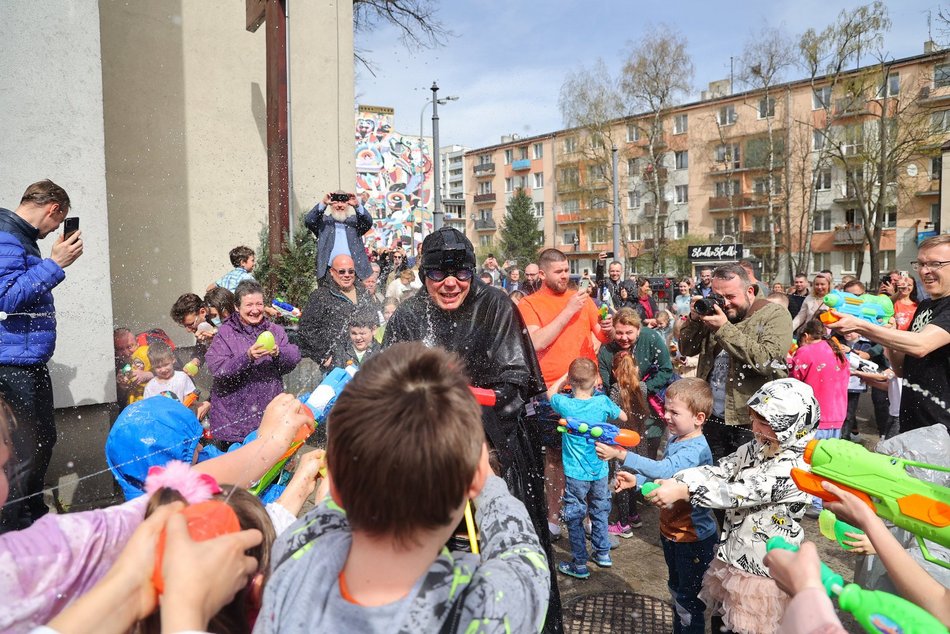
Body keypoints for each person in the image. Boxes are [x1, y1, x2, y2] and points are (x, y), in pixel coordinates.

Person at [256, 343, 551, 633]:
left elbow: (332, 507)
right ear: (471, 481)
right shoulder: (472, 607)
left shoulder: (299, 550)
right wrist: (488, 483)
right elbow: (526, 563)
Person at [0, 394, 313, 631]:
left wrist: (270, 447)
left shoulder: (33, 556)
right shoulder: (25, 561)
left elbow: (171, 496)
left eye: (4, 466)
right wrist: (185, 611)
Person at [383, 228, 562, 632]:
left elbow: (515, 388)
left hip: (496, 453)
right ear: (422, 273)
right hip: (427, 459)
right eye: (437, 274)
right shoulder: (409, 315)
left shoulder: (495, 304)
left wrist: (471, 419)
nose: (450, 283)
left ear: (473, 271)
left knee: (505, 545)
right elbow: (384, 383)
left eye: (461, 273)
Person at [644, 379, 818, 634]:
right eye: (754, 419)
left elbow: (738, 492)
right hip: (735, 557)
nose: (754, 428)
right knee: (722, 621)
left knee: (747, 627)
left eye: (763, 422)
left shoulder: (794, 467)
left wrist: (685, 490)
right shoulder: (759, 446)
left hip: (764, 570)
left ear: (791, 426)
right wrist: (677, 480)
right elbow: (721, 471)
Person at [601, 378, 718, 634]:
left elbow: (664, 469)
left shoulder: (695, 450)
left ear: (699, 417)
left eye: (674, 412)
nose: (665, 416)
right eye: (665, 409)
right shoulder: (678, 440)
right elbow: (667, 478)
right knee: (677, 592)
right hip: (672, 534)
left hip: (692, 539)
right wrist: (638, 480)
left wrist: (622, 454)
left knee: (688, 601)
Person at [0, 180, 83, 531]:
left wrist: (51, 264)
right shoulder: (6, 235)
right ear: (54, 209)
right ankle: (15, 529)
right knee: (21, 452)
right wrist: (55, 264)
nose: (54, 232)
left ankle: (33, 518)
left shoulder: (22, 239)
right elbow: (5, 300)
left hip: (29, 362)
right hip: (11, 365)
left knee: (42, 441)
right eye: (57, 222)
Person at [517, 247, 613, 546]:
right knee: (556, 457)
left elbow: (600, 335)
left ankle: (587, 517)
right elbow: (536, 341)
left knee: (593, 453)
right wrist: (568, 310)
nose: (565, 276)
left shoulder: (583, 301)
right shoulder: (530, 304)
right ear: (542, 274)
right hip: (553, 391)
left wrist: (607, 330)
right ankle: (554, 516)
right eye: (558, 271)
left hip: (589, 391)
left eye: (567, 269)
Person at [827, 235, 950, 432]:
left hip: (943, 430)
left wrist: (861, 326)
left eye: (935, 263)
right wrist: (888, 333)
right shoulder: (926, 305)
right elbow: (901, 368)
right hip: (915, 425)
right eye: (920, 264)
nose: (925, 271)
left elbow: (921, 345)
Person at [679, 263, 792, 461]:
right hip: (711, 416)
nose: (725, 303)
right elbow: (687, 348)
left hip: (752, 420)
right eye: (718, 296)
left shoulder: (774, 314)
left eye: (731, 297)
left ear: (750, 291)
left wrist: (723, 328)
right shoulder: (714, 312)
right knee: (712, 478)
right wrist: (695, 319)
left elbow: (768, 360)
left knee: (746, 481)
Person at [547, 359, 627, 579]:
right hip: (600, 471)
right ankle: (602, 554)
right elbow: (624, 417)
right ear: (596, 381)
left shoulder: (565, 404)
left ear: (571, 382)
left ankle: (579, 563)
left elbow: (549, 394)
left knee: (575, 515)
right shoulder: (601, 403)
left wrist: (563, 378)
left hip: (575, 475)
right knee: (600, 511)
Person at [205, 280, 301, 445]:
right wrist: (246, 357)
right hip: (233, 423)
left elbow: (293, 358)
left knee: (271, 469)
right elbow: (218, 369)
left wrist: (279, 353)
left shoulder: (274, 330)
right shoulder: (225, 333)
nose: (255, 310)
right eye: (249, 305)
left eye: (259, 304)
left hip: (268, 419)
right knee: (237, 470)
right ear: (237, 307)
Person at [789, 318, 848, 517]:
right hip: (837, 413)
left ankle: (813, 502)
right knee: (827, 461)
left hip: (816, 415)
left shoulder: (805, 351)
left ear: (805, 336)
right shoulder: (837, 350)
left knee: (808, 460)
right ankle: (826, 500)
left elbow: (795, 383)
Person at [597, 308, 673, 460]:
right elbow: (605, 386)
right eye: (619, 332)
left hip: (649, 413)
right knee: (619, 460)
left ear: (638, 330)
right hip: (618, 414)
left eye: (629, 332)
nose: (624, 337)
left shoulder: (651, 338)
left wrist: (643, 389)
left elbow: (666, 369)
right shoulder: (606, 349)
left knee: (648, 459)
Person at [298, 254, 377, 365]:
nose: (347, 275)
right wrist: (323, 354)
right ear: (332, 272)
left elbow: (375, 321)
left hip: (366, 358)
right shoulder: (321, 296)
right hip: (337, 361)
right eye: (341, 271)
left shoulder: (363, 293)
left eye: (351, 271)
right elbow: (306, 328)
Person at [304, 190, 373, 281]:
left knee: (356, 295)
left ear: (348, 204)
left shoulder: (354, 222)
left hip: (355, 271)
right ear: (331, 204)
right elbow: (309, 221)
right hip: (329, 272)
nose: (340, 205)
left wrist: (357, 205)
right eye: (336, 202)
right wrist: (323, 203)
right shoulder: (324, 223)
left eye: (343, 202)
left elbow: (368, 222)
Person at [113, 327, 153, 408]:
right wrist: (122, 388)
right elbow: (118, 403)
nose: (126, 353)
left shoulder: (150, 353)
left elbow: (175, 370)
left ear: (137, 342)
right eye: (120, 349)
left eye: (129, 347)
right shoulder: (115, 365)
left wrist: (148, 375)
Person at [791, 272, 831, 337]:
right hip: (810, 334)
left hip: (826, 335)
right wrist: (789, 330)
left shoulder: (834, 299)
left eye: (822, 284)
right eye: (817, 284)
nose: (819, 287)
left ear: (828, 285)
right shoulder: (809, 298)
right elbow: (800, 317)